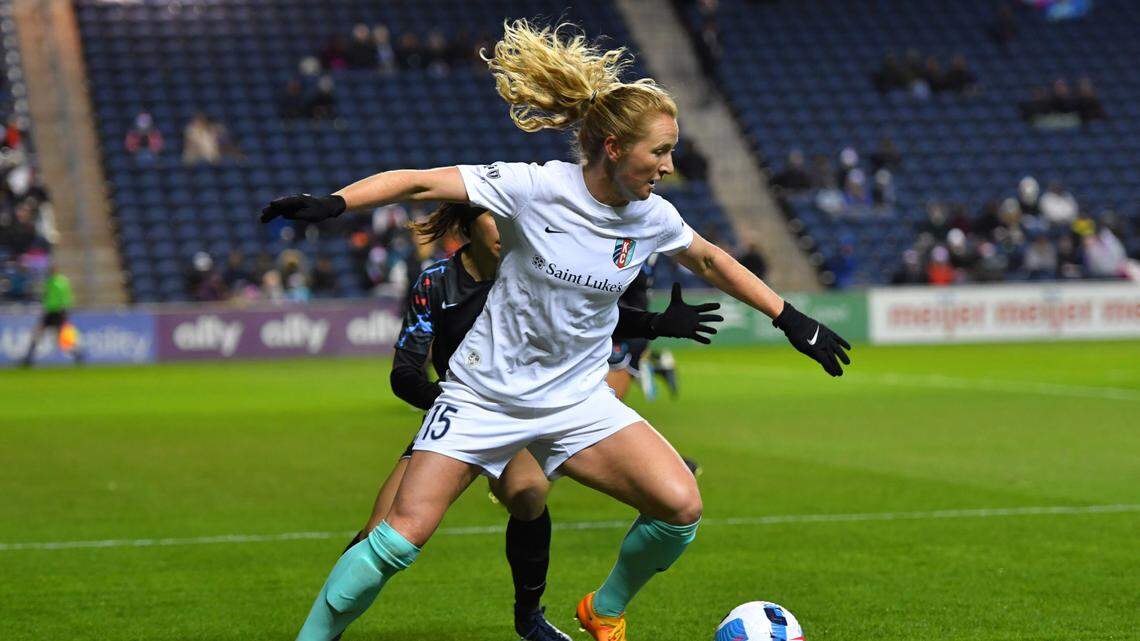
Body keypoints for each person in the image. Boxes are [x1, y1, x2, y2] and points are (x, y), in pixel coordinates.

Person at [261, 20, 851, 641]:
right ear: (616, 148)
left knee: (681, 507)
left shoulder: (652, 216)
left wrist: (790, 317)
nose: (670, 166)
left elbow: (709, 259)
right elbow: (417, 181)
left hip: (575, 400)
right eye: (660, 151)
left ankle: (604, 608)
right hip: (482, 396)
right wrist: (333, 204)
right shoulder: (535, 187)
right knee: (398, 540)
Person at [343, 202, 720, 640]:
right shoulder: (435, 281)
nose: (507, 230)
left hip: (526, 412)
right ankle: (328, 627)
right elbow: (404, 373)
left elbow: (594, 318)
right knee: (380, 532)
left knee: (527, 493)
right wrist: (454, 405)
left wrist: (654, 324)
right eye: (494, 221)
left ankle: (529, 618)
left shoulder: (535, 271)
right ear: (468, 226)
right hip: (459, 414)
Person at [21, 264, 83, 367]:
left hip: (57, 312)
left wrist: (64, 311)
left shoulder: (59, 282)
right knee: (39, 333)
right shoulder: (52, 281)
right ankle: (29, 358)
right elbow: (48, 296)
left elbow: (65, 297)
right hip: (50, 311)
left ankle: (77, 354)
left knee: (57, 336)